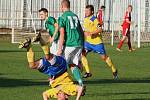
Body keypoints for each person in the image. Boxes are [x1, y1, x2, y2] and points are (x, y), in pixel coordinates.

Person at [18, 35, 84, 100]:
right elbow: (80, 88)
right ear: (66, 97)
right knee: (48, 57)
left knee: (32, 65)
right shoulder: (69, 90)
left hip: (51, 72)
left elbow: (45, 94)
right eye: (61, 99)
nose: (58, 98)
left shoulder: (55, 92)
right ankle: (40, 39)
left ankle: (28, 46)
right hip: (61, 68)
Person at [81, 5, 118, 79]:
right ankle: (88, 72)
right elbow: (86, 29)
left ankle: (114, 69)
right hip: (88, 42)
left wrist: (92, 33)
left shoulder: (95, 20)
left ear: (92, 12)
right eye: (85, 10)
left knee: (104, 57)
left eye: (88, 11)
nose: (86, 12)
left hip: (97, 43)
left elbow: (100, 29)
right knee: (82, 55)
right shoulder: (85, 19)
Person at [57, 0, 84, 86]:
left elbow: (62, 33)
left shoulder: (62, 17)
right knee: (72, 64)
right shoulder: (75, 16)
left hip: (70, 44)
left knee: (61, 64)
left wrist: (59, 49)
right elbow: (81, 32)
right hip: (79, 44)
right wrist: (83, 46)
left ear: (62, 7)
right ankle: (80, 82)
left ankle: (63, 84)